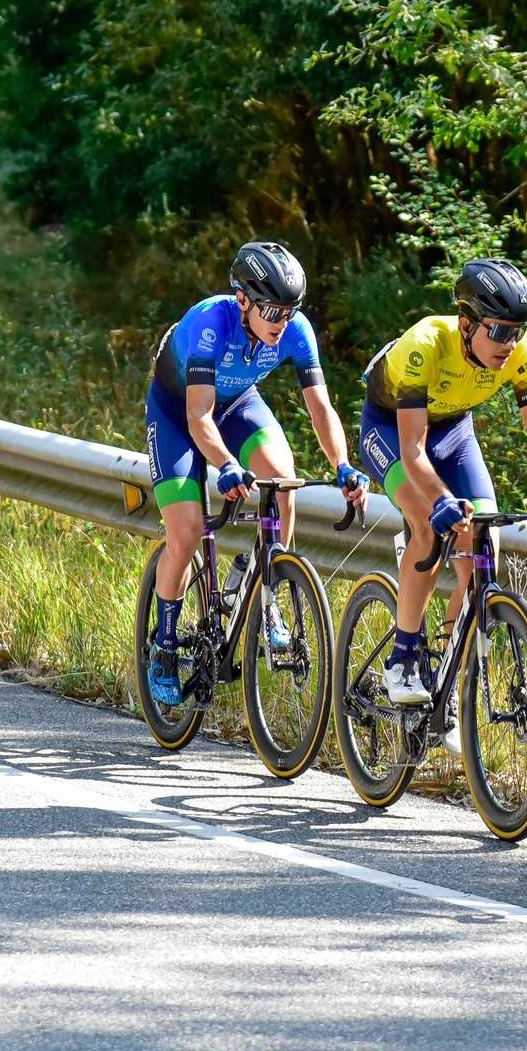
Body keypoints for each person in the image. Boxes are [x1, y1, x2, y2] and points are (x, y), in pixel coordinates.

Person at [357, 258, 527, 732]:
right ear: (466, 323)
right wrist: (441, 499)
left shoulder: (520, 352)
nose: (510, 343)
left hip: (455, 433)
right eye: (499, 331)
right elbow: (412, 448)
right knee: (426, 523)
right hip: (393, 430)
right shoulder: (426, 343)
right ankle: (402, 657)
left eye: (518, 331)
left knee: (484, 546)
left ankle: (444, 667)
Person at [145, 241, 368, 705]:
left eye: (288, 312)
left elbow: (321, 407)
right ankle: (164, 646)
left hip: (238, 404)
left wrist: (343, 465)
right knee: (184, 536)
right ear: (243, 300)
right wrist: (226, 465)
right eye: (270, 310)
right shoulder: (210, 323)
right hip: (179, 411)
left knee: (284, 480)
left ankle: (265, 585)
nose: (280, 322)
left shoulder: (294, 330)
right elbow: (198, 418)